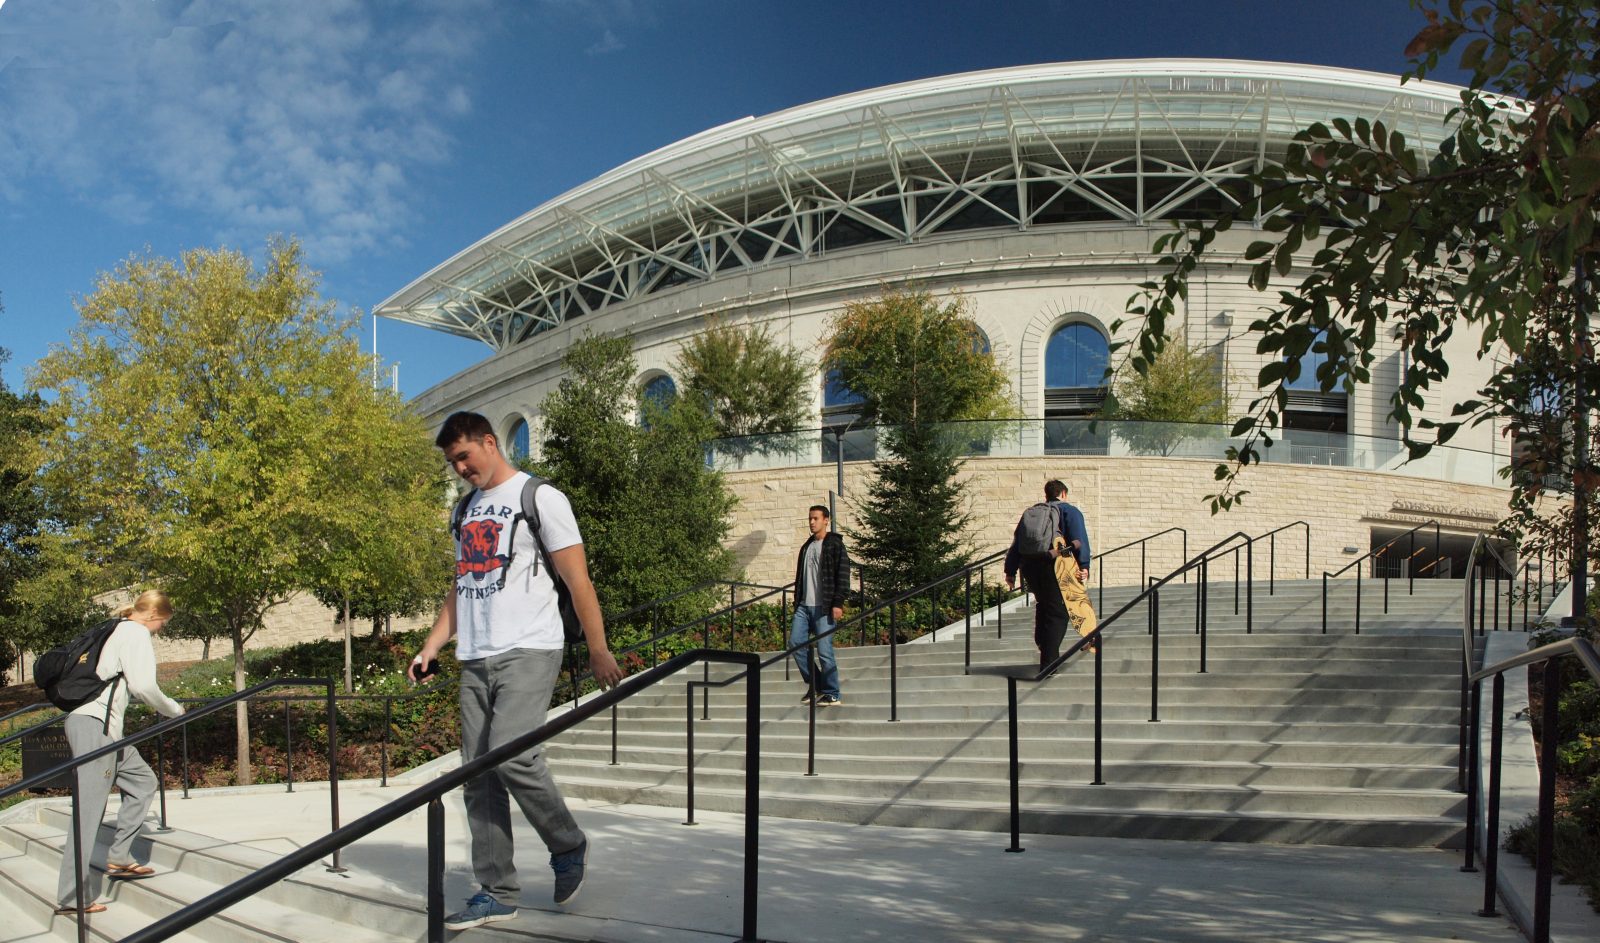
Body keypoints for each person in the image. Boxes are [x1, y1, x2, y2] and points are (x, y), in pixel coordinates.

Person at [408, 411, 625, 931]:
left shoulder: (540, 498)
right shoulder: (465, 510)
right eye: (451, 461)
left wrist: (598, 648)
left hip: (531, 648)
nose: (459, 467)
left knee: (513, 754)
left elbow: (578, 581)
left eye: (464, 455)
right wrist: (431, 646)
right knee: (476, 773)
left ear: (489, 441)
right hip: (475, 657)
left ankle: (566, 841)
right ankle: (496, 889)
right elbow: (462, 588)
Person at [55, 590, 186, 916]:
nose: (160, 630)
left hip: (105, 731)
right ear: (156, 616)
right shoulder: (135, 632)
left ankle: (120, 856)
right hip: (95, 728)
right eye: (163, 624)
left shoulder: (115, 627)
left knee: (142, 782)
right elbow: (143, 685)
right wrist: (174, 710)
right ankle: (73, 898)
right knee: (88, 813)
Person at [1004, 480, 1096, 668]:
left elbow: (1016, 543)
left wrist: (1010, 571)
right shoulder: (1069, 511)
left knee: (1044, 605)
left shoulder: (1031, 513)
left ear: (1047, 494)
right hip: (1054, 564)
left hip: (1029, 566)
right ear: (1063, 493)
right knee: (1058, 612)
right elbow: (1079, 539)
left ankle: (1043, 643)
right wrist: (1084, 565)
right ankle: (1049, 662)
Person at [791, 504, 849, 706]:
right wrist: (797, 601)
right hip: (804, 606)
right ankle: (816, 684)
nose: (812, 522)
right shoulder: (806, 546)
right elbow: (800, 577)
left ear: (827, 520)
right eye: (810, 518)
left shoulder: (834, 544)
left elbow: (842, 574)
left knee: (824, 650)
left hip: (824, 606)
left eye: (816, 518)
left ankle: (832, 692)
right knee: (796, 643)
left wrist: (838, 602)